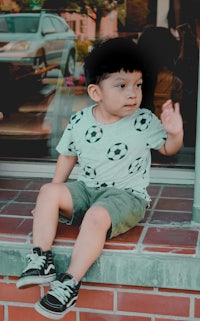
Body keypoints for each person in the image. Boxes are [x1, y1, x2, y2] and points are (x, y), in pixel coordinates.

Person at [16, 37, 183, 320]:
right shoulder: (80, 121)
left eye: (138, 85)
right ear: (96, 92)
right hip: (87, 188)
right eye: (121, 85)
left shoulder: (143, 120)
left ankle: (68, 282)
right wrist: (50, 201)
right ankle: (41, 258)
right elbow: (67, 156)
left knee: (95, 215)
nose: (133, 94)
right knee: (48, 191)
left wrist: (175, 133)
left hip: (126, 196)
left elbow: (168, 148)